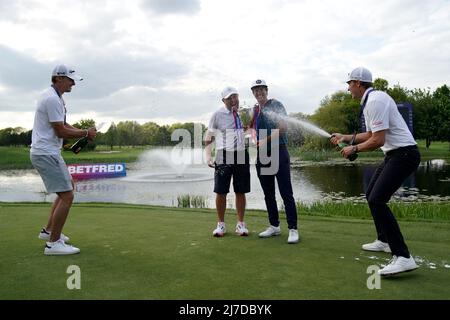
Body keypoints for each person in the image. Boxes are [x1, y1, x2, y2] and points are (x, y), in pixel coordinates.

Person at [330, 67, 420, 276]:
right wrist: (345, 137)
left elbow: (377, 140)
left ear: (359, 84)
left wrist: (354, 148)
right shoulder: (372, 100)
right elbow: (371, 134)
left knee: (378, 199)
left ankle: (403, 256)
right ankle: (384, 240)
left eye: (350, 83)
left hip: (404, 155)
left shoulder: (375, 101)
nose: (348, 87)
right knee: (371, 195)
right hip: (394, 155)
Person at [31, 64, 96, 255]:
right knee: (67, 195)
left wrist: (83, 133)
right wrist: (85, 132)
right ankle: (53, 243)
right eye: (70, 79)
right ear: (58, 78)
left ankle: (49, 231)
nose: (73, 83)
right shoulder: (52, 99)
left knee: (67, 190)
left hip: (48, 151)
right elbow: (60, 130)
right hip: (46, 152)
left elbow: (64, 124)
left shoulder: (55, 97)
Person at [250, 79, 299, 244]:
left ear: (266, 90)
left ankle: (293, 229)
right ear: (253, 93)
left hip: (279, 151)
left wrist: (265, 140)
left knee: (286, 193)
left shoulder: (276, 105)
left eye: (261, 89)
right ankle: (274, 226)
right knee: (268, 193)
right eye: (256, 90)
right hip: (263, 154)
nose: (259, 93)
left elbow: (283, 127)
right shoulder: (256, 110)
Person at [204, 86, 250, 237]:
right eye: (230, 97)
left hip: (241, 154)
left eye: (235, 96)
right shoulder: (217, 115)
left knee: (240, 190)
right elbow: (209, 137)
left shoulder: (244, 112)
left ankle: (240, 224)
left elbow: (252, 123)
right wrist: (208, 156)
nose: (234, 99)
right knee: (221, 191)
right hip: (223, 154)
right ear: (224, 100)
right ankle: (221, 225)